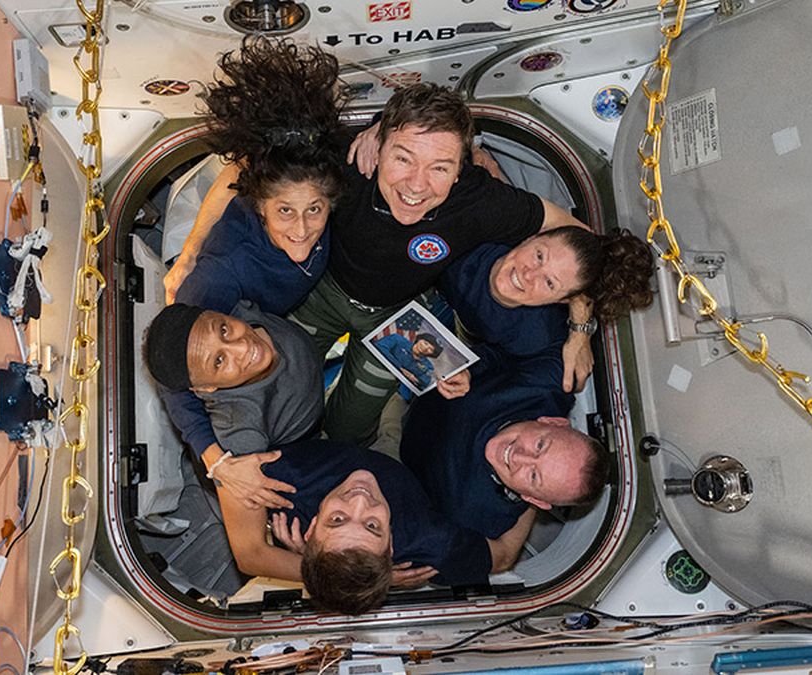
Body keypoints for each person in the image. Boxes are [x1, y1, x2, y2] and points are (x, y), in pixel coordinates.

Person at [168, 83, 594, 445]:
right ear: (380, 143)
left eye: (440, 167)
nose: (416, 184)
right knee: (281, 389)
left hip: (398, 315)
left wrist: (579, 329)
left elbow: (585, 243)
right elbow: (246, 166)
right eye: (403, 157)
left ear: (461, 169)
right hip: (322, 293)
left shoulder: (480, 200)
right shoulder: (350, 162)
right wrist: (191, 251)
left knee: (348, 429)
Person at [158, 38, 347, 510]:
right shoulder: (221, 274)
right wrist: (215, 459)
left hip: (301, 305)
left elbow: (245, 168)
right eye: (284, 211)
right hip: (278, 314)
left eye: (314, 211)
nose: (301, 229)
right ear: (258, 205)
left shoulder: (313, 170)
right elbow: (174, 374)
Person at [217, 439, 536, 615]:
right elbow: (505, 555)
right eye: (372, 525)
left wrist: (321, 565)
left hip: (324, 441)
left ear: (312, 528)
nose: (359, 500)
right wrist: (535, 487)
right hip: (398, 455)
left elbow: (249, 555)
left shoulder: (276, 479)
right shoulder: (427, 540)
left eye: (337, 520)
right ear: (393, 547)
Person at [400, 357, 610, 540]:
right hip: (418, 376)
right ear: (553, 422)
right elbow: (505, 348)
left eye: (534, 476)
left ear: (533, 500)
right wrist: (468, 368)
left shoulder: (475, 518)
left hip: (394, 452)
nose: (520, 457)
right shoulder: (545, 385)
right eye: (540, 445)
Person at [144, 301, 322, 510]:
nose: (243, 346)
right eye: (219, 361)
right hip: (308, 432)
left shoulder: (235, 306)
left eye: (224, 330)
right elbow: (246, 542)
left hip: (313, 359)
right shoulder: (239, 428)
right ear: (206, 388)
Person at [439, 226, 654, 375]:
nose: (529, 274)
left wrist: (466, 373)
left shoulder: (534, 335)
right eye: (539, 256)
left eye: (550, 283)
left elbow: (494, 360)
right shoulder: (487, 228)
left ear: (564, 300)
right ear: (531, 237)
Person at [371, 332, 441, 390]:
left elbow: (424, 384)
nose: (425, 348)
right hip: (377, 372)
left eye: (431, 349)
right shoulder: (397, 340)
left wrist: (414, 378)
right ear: (419, 339)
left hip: (398, 390)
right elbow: (380, 346)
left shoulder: (428, 366)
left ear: (433, 354)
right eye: (425, 343)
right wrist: (400, 368)